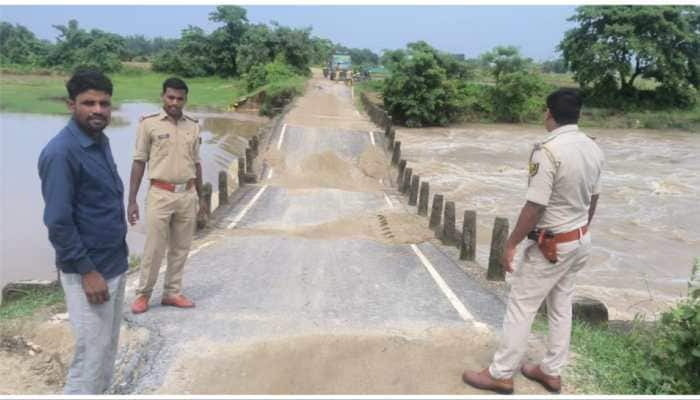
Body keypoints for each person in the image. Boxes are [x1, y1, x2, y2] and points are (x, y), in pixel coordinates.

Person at [462, 88, 605, 394]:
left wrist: (511, 243)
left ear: (549, 114)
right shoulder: (593, 148)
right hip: (580, 240)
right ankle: (551, 371)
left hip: (550, 245)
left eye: (544, 111)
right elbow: (593, 199)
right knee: (561, 303)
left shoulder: (548, 151)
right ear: (577, 115)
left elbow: (535, 206)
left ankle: (500, 373)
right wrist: (579, 231)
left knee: (521, 306)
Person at [38, 69, 128, 394]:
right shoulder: (61, 153)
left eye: (104, 103)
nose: (98, 110)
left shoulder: (98, 140)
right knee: (89, 361)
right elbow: (58, 222)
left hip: (113, 264)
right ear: (70, 104)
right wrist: (88, 271)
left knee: (105, 352)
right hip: (90, 273)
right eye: (88, 103)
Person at [128, 77, 205, 314]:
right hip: (160, 194)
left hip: (187, 193)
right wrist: (131, 200)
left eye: (180, 98)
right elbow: (139, 161)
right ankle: (143, 295)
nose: (174, 102)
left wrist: (201, 199)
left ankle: (172, 292)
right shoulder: (148, 124)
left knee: (181, 248)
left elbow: (197, 163)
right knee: (154, 248)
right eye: (170, 97)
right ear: (163, 96)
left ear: (185, 100)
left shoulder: (193, 125)